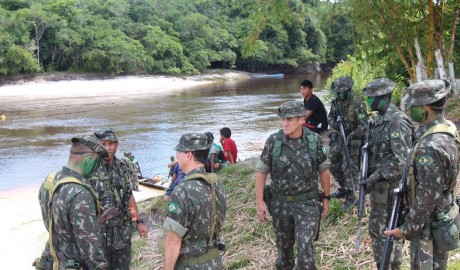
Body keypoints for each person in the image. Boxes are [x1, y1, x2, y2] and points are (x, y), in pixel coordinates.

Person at [384, 80, 460, 270]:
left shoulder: (429, 147)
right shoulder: (447, 128)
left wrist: (406, 228)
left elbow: (428, 195)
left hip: (429, 224)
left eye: (413, 106)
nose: (410, 110)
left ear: (426, 107)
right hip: (443, 210)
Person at [255, 100, 331, 269]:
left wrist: (326, 197)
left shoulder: (314, 141)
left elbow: (324, 170)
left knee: (305, 251)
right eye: (282, 119)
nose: (284, 123)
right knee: (284, 253)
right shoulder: (274, 141)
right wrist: (260, 202)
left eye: (289, 119)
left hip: (307, 204)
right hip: (280, 205)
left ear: (302, 120)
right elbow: (261, 172)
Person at [361, 78, 414, 269]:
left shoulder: (397, 121)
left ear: (384, 98)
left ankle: (391, 265)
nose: (367, 101)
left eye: (371, 98)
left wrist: (373, 177)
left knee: (387, 232)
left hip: (392, 188)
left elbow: (402, 161)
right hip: (381, 189)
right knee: (379, 232)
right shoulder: (378, 120)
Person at [34, 135, 109, 270]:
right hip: (73, 264)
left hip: (50, 260)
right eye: (97, 162)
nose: (98, 168)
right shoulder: (81, 194)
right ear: (87, 161)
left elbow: (54, 225)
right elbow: (91, 252)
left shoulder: (49, 181)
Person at [163, 133, 227, 269]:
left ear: (188, 155)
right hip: (214, 262)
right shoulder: (217, 185)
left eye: (179, 151)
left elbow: (173, 242)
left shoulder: (182, 192)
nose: (177, 155)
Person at [89, 128, 149, 270]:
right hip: (99, 235)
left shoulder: (124, 166)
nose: (108, 148)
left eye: (112, 144)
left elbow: (128, 196)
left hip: (122, 233)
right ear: (97, 145)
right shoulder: (90, 168)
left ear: (117, 144)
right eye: (103, 143)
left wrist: (139, 222)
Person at [328, 76, 368, 209]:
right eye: (337, 92)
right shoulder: (335, 103)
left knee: (349, 168)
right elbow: (330, 117)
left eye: (342, 92)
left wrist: (350, 135)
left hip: (353, 141)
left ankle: (352, 195)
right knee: (333, 163)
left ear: (349, 90)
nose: (339, 94)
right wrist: (337, 125)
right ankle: (344, 187)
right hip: (339, 138)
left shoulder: (357, 104)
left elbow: (364, 126)